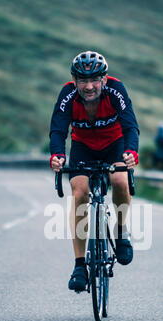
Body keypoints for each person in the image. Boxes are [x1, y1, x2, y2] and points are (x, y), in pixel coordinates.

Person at [49, 51, 139, 292]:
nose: (89, 87)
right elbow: (58, 130)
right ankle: (80, 265)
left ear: (104, 79)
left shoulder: (116, 90)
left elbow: (131, 126)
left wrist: (131, 152)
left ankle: (120, 232)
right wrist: (57, 155)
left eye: (94, 80)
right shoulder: (68, 95)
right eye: (82, 81)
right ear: (74, 80)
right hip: (83, 148)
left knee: (119, 180)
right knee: (79, 194)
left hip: (114, 145)